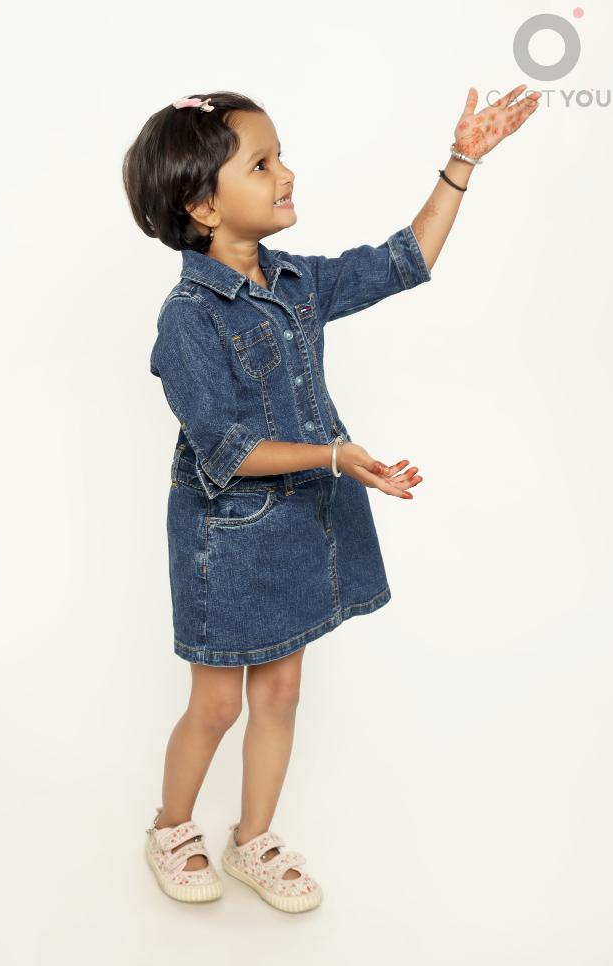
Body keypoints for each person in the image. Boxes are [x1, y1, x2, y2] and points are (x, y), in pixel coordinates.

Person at [121, 84, 540, 913]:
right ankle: (170, 827)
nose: (287, 174)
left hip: (299, 525)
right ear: (203, 206)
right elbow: (227, 450)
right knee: (216, 704)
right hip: (227, 536)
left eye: (281, 157)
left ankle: (254, 838)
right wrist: (338, 456)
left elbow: (403, 261)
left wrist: (462, 160)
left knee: (281, 693)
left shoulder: (297, 282)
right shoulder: (188, 319)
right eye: (262, 164)